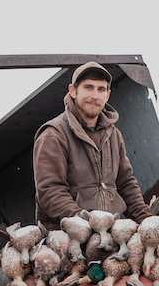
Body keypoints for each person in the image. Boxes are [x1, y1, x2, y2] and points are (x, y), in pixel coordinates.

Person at [33, 62, 151, 230]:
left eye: (101, 89)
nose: (95, 96)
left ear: (108, 95)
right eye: (88, 87)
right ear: (73, 91)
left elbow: (126, 184)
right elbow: (50, 191)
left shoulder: (114, 135)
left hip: (111, 232)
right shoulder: (54, 135)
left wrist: (146, 218)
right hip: (67, 235)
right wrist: (86, 223)